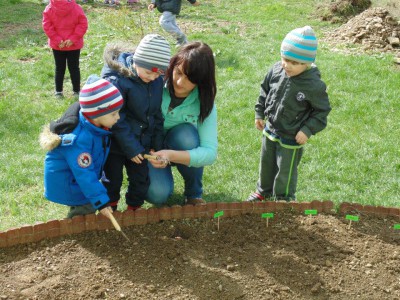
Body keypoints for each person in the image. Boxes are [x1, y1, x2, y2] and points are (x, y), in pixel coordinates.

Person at [246, 26, 331, 202]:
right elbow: (265, 90)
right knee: (266, 164)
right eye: (285, 59)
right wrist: (259, 112)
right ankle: (263, 191)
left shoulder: (314, 85)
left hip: (292, 136)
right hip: (271, 129)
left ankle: (284, 199)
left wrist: (307, 130)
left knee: (285, 170)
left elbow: (322, 112)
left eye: (294, 63)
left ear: (307, 63)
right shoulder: (277, 70)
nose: (287, 65)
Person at [100, 34, 171, 211]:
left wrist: (156, 144)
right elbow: (118, 119)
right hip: (117, 143)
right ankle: (111, 208)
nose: (154, 77)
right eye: (149, 72)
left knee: (141, 179)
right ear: (137, 62)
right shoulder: (118, 81)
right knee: (112, 179)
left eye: (159, 73)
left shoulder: (155, 82)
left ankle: (134, 209)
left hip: (142, 143)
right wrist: (131, 147)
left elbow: (156, 115)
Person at [40, 75, 124, 218]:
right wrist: (101, 202)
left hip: (75, 178)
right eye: (114, 114)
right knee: (86, 207)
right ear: (96, 114)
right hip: (69, 182)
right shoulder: (79, 140)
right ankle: (74, 232)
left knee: (89, 202)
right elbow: (84, 174)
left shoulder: (96, 126)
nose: (118, 118)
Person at [146, 41, 217, 206]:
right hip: (150, 148)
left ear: (201, 81)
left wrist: (170, 155)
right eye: (178, 72)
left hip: (177, 145)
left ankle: (193, 194)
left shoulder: (205, 103)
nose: (179, 82)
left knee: (187, 136)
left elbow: (210, 152)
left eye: (189, 79)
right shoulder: (154, 81)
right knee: (158, 194)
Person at [42, 0, 88, 98]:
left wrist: (57, 40)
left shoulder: (49, 8)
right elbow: (83, 24)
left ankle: (58, 92)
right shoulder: (76, 8)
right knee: (74, 68)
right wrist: (73, 38)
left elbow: (47, 26)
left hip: (58, 45)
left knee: (59, 68)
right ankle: (76, 91)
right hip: (73, 45)